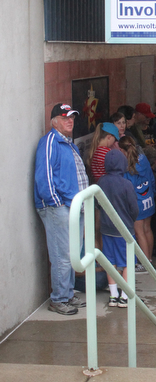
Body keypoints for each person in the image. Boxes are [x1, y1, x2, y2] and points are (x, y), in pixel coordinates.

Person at [34, 103, 88, 315]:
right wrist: (56, 202)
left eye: (72, 117)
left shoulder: (68, 142)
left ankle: (67, 294)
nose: (69, 121)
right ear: (54, 121)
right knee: (62, 255)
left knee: (73, 252)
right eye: (65, 117)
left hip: (74, 206)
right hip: (59, 207)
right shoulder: (49, 142)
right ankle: (58, 298)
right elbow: (44, 176)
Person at [97, 150, 139, 308]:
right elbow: (134, 208)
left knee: (110, 261)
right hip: (124, 230)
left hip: (106, 229)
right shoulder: (126, 184)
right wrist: (130, 220)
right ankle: (125, 296)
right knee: (128, 262)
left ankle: (113, 295)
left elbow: (98, 204)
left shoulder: (101, 182)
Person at [119, 136, 156, 273]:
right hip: (149, 199)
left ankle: (145, 264)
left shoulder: (126, 167)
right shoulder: (144, 160)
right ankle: (149, 260)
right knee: (147, 229)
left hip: (137, 203)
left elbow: (127, 188)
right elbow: (151, 178)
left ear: (123, 150)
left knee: (139, 232)